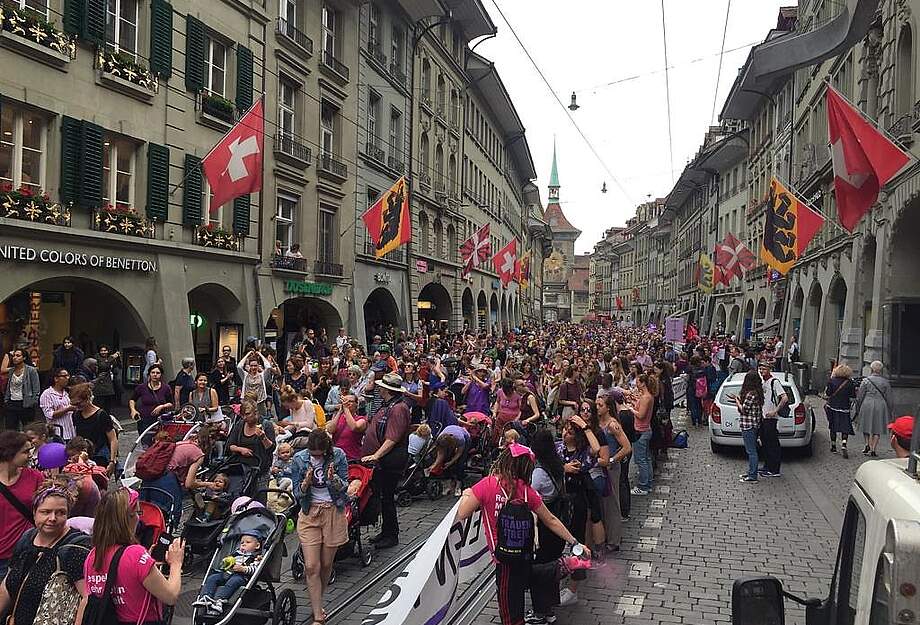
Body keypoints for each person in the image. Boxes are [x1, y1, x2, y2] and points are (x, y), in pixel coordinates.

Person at [456, 444, 588, 625]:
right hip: (524, 556)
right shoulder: (526, 491)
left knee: (510, 612)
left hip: (504, 560)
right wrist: (575, 542)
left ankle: (558, 568)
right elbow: (550, 520)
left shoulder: (487, 485)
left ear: (503, 461)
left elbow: (462, 513)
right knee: (526, 587)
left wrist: (467, 494)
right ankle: (560, 567)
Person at [82, 488, 185, 623]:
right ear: (127, 518)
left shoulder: (92, 556)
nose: (139, 517)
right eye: (137, 512)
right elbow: (170, 596)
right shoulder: (135, 555)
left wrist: (147, 564)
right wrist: (176, 563)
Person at [0, 481, 91, 625]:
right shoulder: (27, 539)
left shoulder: (75, 547)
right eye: (46, 512)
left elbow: (87, 597)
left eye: (61, 513)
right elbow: (7, 585)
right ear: (34, 513)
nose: (53, 518)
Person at [292, 429, 349, 625]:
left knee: (326, 565)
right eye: (313, 454)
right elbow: (297, 494)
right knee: (311, 566)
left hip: (333, 511)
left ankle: (318, 600)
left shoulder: (338, 455)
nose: (316, 457)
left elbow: (344, 487)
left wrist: (333, 478)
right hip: (310, 513)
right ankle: (317, 615)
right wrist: (306, 483)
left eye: (320, 454)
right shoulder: (299, 459)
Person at [361, 372, 411, 549]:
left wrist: (376, 455)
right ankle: (386, 531)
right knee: (383, 497)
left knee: (387, 498)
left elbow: (392, 438)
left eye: (382, 386)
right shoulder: (388, 405)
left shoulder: (398, 408)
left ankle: (391, 534)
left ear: (387, 390)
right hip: (382, 461)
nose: (379, 388)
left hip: (390, 461)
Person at [527, 429, 567, 625]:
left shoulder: (539, 472)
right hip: (558, 519)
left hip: (543, 524)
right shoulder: (557, 465)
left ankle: (540, 612)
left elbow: (531, 498)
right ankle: (550, 608)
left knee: (539, 570)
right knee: (552, 568)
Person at [0, 430, 44, 578]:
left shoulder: (35, 477)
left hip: (27, 552)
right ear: (9, 453)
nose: (30, 455)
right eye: (25, 452)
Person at [194, 530, 265, 615]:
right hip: (226, 573)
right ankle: (206, 597)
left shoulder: (256, 557)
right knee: (212, 578)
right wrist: (225, 562)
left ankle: (219, 600)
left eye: (248, 542)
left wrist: (243, 569)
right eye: (242, 542)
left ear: (257, 546)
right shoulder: (236, 554)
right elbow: (223, 565)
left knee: (233, 581)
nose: (243, 544)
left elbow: (255, 569)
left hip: (240, 577)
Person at [595, 392, 631, 551]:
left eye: (600, 405)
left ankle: (614, 539)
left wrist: (612, 460)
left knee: (612, 503)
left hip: (611, 468)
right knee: (602, 502)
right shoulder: (597, 423)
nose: (597, 408)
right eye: (596, 405)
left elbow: (627, 447)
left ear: (608, 408)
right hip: (599, 466)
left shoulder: (612, 425)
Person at [228, 399, 277, 497]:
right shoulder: (240, 425)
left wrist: (263, 437)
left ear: (256, 413)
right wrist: (241, 449)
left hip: (260, 471)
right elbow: (230, 445)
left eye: (247, 414)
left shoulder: (266, 425)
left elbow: (271, 449)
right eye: (242, 415)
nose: (244, 418)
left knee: (259, 499)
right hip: (242, 470)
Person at [68, 383, 118, 469]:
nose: (76, 406)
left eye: (79, 403)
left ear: (87, 399)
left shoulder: (101, 415)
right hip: (82, 456)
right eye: (74, 404)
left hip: (99, 457)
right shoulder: (76, 414)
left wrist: (112, 460)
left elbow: (113, 438)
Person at [732, 371, 764, 483]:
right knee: (752, 450)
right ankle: (751, 471)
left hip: (748, 425)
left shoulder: (751, 394)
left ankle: (752, 475)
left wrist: (737, 401)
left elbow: (744, 410)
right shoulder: (758, 393)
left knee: (751, 451)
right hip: (754, 424)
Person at [856, 360, 893, 457]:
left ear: (871, 369)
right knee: (877, 427)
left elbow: (860, 396)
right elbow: (889, 397)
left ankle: (867, 444)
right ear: (880, 370)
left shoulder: (866, 381)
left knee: (866, 425)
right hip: (881, 405)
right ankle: (873, 449)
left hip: (867, 403)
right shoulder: (885, 382)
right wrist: (890, 409)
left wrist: (858, 407)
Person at [758, 361, 788, 477]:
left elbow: (784, 398)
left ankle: (774, 469)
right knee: (765, 443)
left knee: (772, 444)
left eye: (764, 369)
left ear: (769, 369)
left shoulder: (774, 382)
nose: (762, 371)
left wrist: (775, 411)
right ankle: (767, 466)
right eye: (760, 369)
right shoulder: (763, 382)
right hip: (764, 417)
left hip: (771, 418)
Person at [631, 374, 657, 495]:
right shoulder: (647, 396)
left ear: (643, 383)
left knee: (641, 460)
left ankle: (643, 486)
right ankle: (648, 482)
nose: (636, 383)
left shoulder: (646, 397)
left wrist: (630, 409)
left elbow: (641, 415)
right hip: (646, 430)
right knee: (646, 458)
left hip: (641, 430)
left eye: (638, 381)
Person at [129, 363, 174, 433]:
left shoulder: (166, 388)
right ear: (149, 374)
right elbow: (132, 400)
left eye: (158, 373)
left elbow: (170, 403)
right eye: (153, 372)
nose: (155, 375)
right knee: (146, 441)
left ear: (161, 375)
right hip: (144, 420)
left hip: (160, 421)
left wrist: (162, 406)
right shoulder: (142, 387)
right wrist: (133, 410)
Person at [427, 424, 470, 496]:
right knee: (445, 462)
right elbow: (441, 455)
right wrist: (433, 465)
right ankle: (448, 485)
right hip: (449, 431)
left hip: (465, 437)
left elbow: (459, 453)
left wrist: (451, 462)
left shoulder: (460, 439)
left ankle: (458, 486)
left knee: (460, 463)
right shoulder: (440, 439)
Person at [3, 348, 40, 431]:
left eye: (18, 356)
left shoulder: (31, 370)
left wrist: (32, 402)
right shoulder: (11, 370)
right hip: (11, 403)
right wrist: (6, 400)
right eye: (14, 356)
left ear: (24, 358)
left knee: (27, 429)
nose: (15, 358)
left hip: (25, 403)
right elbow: (9, 386)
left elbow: (36, 389)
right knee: (10, 429)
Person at [824, 364, 857, 457]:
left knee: (833, 426)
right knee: (845, 427)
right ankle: (844, 444)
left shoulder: (832, 381)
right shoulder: (850, 383)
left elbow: (828, 393)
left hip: (833, 406)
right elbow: (853, 396)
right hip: (845, 408)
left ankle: (833, 446)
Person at [326, 394, 367, 462]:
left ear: (356, 404)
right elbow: (330, 430)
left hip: (352, 458)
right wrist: (340, 412)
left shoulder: (361, 419)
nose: (347, 403)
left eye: (350, 401)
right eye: (345, 401)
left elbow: (354, 427)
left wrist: (346, 409)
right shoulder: (339, 417)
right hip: (335, 457)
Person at [40, 368, 77, 441]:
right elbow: (49, 415)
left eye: (68, 376)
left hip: (71, 432)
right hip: (57, 433)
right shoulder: (47, 394)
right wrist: (67, 409)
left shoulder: (67, 393)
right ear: (56, 379)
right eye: (64, 376)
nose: (67, 378)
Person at [93, 345, 120, 416]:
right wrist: (112, 358)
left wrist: (117, 358)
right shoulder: (97, 357)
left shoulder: (110, 358)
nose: (103, 352)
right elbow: (103, 366)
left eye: (105, 350)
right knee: (99, 404)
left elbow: (117, 367)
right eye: (102, 350)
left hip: (109, 384)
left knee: (107, 405)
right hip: (100, 384)